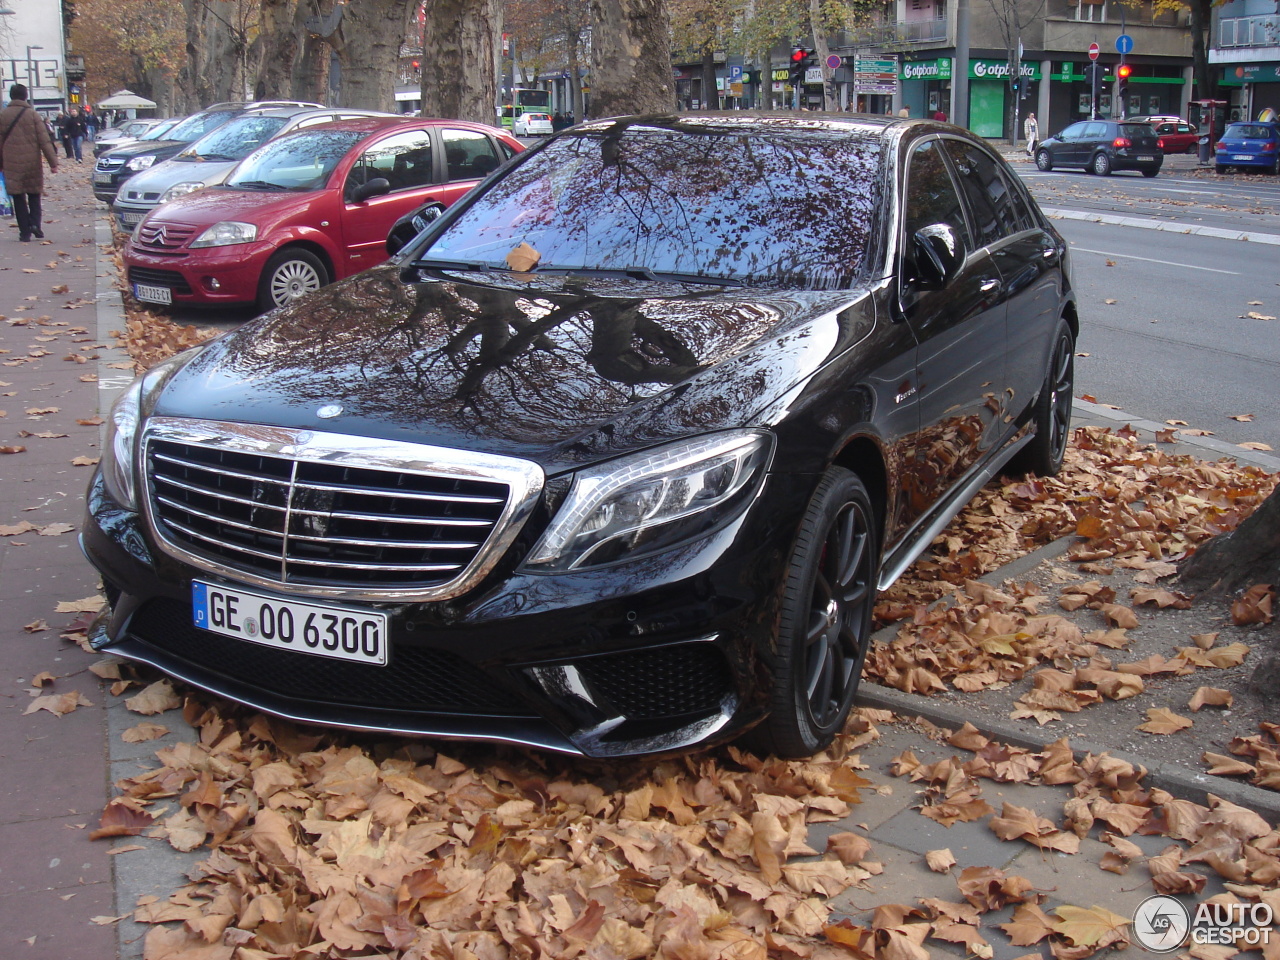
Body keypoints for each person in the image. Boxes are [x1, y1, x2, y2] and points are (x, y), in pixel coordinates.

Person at [0, 84, 60, 242]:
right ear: (25, 96)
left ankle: (24, 232)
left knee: (18, 197)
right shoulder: (32, 115)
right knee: (34, 195)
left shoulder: (3, 115)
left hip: (11, 164)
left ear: (11, 96)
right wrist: (53, 163)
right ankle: (35, 225)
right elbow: (44, 140)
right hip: (32, 163)